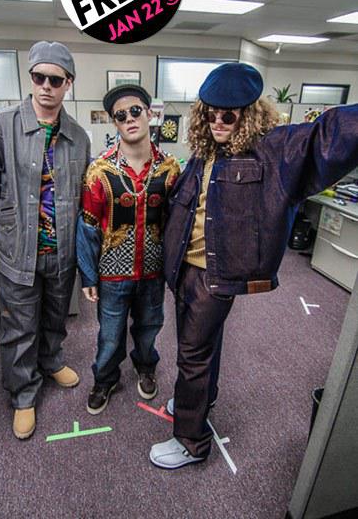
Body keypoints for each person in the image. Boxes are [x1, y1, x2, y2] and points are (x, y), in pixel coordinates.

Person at [149, 62, 358, 469]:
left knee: (191, 354)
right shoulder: (206, 151)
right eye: (210, 113)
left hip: (216, 276)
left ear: (249, 114)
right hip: (185, 269)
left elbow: (329, 134)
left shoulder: (275, 151)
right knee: (202, 347)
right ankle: (199, 399)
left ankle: (191, 441)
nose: (218, 122)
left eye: (228, 115)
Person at [0, 41, 90, 439]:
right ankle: (23, 393)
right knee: (19, 325)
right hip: (18, 249)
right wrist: (13, 219)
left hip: (62, 250)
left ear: (68, 83)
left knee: (56, 316)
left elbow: (80, 192)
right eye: (39, 78)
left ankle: (51, 360)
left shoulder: (78, 137)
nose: (45, 87)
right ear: (31, 78)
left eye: (55, 80)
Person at [77, 84, 180, 414]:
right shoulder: (100, 171)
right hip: (112, 274)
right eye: (121, 115)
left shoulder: (170, 170)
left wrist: (176, 271)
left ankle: (146, 367)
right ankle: (105, 379)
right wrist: (88, 275)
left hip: (153, 272)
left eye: (136, 111)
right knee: (110, 335)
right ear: (114, 123)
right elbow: (88, 226)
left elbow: (176, 225)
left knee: (149, 328)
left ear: (150, 114)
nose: (130, 119)